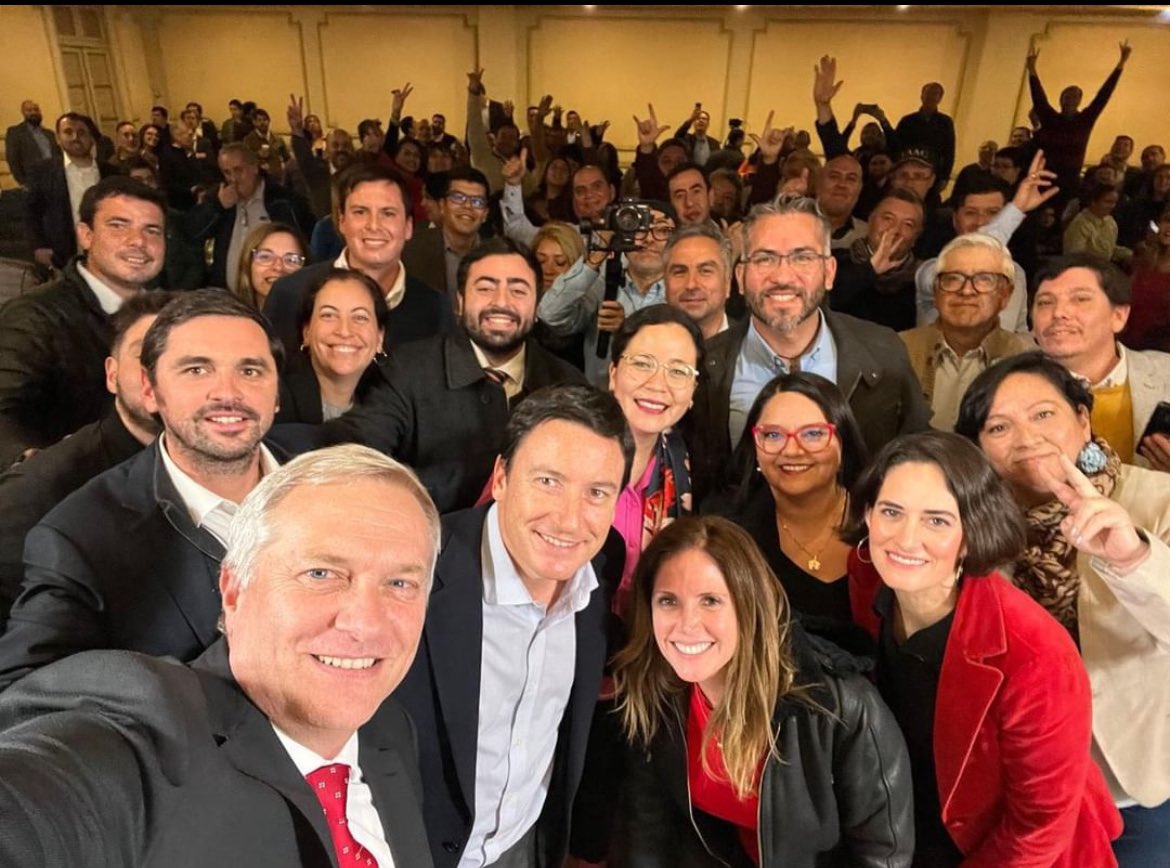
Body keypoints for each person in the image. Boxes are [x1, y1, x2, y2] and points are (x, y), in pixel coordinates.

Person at [0, 445, 437, 867]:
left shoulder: (390, 730)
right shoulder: (147, 729)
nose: (366, 624)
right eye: (320, 573)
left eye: (400, 584)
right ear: (234, 589)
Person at [845, 430, 1122, 865]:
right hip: (912, 830)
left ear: (972, 535)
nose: (905, 539)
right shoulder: (868, 577)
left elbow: (1038, 830)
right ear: (868, 515)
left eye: (937, 520)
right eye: (891, 512)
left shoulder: (1036, 656)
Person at [393, 384, 630, 868]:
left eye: (597, 493)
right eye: (547, 481)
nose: (568, 519)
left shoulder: (601, 568)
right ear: (501, 477)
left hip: (522, 850)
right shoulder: (413, 568)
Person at [0, 290, 284, 690]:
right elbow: (23, 692)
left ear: (277, 394)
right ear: (150, 390)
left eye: (251, 371)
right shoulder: (81, 536)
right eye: (196, 370)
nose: (227, 392)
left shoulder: (325, 481)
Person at [955, 352, 1170, 865]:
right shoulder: (971, 531)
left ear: (1083, 417)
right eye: (999, 426)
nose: (1025, 436)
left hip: (1137, 782)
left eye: (1043, 414)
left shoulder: (1157, 499)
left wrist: (1132, 556)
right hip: (1024, 791)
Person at [612, 515, 913, 866]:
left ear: (748, 606)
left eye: (710, 600)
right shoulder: (659, 697)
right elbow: (649, 835)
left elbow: (884, 854)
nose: (687, 624)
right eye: (668, 601)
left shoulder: (841, 706)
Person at [308, 238, 585, 513]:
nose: (501, 302)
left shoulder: (568, 385)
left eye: (518, 291)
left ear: (537, 307)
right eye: (486, 288)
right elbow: (354, 456)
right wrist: (473, 476)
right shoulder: (405, 369)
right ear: (460, 303)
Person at [687, 193, 930, 502]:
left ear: (829, 273)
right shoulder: (704, 366)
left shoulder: (882, 351)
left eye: (802, 257)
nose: (783, 277)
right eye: (764, 259)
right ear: (740, 277)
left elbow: (917, 456)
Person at [0, 291, 174, 624]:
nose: (161, 370)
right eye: (144, 354)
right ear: (112, 374)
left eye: (187, 360)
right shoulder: (40, 491)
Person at [0, 175, 166, 468]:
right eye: (118, 226)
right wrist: (33, 464)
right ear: (85, 235)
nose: (138, 241)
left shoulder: (171, 313)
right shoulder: (34, 316)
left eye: (152, 231)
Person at [712, 372, 872, 655]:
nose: (792, 449)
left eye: (813, 434)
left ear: (843, 441)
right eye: (773, 435)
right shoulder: (730, 535)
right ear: (755, 449)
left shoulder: (884, 522)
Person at [264, 161, 454, 359]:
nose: (373, 225)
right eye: (360, 212)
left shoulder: (437, 309)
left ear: (408, 227)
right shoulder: (290, 294)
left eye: (388, 213)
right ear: (342, 222)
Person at [1029, 254, 1170, 470]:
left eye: (1080, 299)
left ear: (1119, 316)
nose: (1058, 313)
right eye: (1045, 302)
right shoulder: (1006, 387)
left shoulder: (1165, 375)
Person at [606, 305, 702, 616]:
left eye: (678, 372)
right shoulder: (559, 446)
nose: (658, 385)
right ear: (613, 374)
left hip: (644, 645)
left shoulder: (681, 463)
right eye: (643, 364)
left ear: (692, 392)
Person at [899, 234, 1034, 431]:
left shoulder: (1026, 361)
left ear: (1006, 295)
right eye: (952, 279)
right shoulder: (897, 350)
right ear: (936, 291)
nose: (966, 291)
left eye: (984, 280)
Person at [186, 142, 315, 292]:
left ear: (254, 168)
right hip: (228, 297)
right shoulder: (219, 198)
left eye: (238, 170)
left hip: (274, 298)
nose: (233, 179)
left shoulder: (284, 201)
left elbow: (305, 246)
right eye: (227, 173)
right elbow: (192, 233)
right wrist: (218, 206)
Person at [1026, 40, 1132, 207]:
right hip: (1045, 180)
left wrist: (1121, 63)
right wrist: (1031, 70)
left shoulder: (1085, 120)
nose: (1071, 99)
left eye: (1075, 96)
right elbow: (1038, 97)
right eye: (1067, 96)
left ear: (1080, 100)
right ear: (1061, 99)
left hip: (1070, 183)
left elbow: (1103, 95)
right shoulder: (1050, 118)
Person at [277, 268, 389, 424]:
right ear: (306, 332)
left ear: (379, 338)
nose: (344, 331)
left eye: (360, 317)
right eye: (328, 315)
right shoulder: (275, 400)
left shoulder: (392, 404)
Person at [25, 111, 115, 269]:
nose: (75, 137)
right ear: (58, 139)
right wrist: (39, 245)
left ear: (91, 138)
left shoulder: (112, 172)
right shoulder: (43, 172)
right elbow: (32, 212)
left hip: (108, 251)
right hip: (63, 256)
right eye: (68, 132)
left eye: (81, 132)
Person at [663, 222, 734, 339]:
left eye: (705, 271)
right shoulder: (643, 346)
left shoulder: (751, 348)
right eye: (680, 272)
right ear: (665, 282)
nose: (691, 285)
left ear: (727, 282)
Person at [1121, 202, 1170, 352]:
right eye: (1167, 221)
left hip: (1159, 352)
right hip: (1126, 342)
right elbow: (1126, 296)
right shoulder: (1144, 259)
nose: (1168, 228)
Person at [231, 222, 307, 310]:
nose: (278, 267)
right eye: (265, 257)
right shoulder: (228, 321)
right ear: (248, 264)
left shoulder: (316, 322)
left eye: (291, 260)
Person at [1063, 182, 1131, 266]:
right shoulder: (1080, 223)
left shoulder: (1110, 222)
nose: (1112, 206)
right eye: (1107, 202)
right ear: (1093, 202)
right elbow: (1074, 256)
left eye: (1114, 202)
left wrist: (1130, 254)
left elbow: (1109, 249)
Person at [4, 98, 59, 187]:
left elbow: (58, 155)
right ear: (23, 113)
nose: (33, 113)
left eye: (36, 110)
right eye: (29, 110)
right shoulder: (15, 132)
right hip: (32, 181)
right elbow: (12, 158)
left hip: (54, 179)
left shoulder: (49, 134)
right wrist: (22, 182)